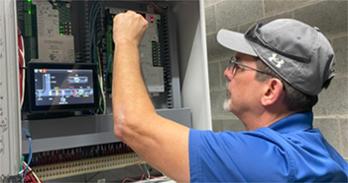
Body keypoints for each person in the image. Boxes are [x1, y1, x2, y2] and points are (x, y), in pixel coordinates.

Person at [112, 11, 348, 182]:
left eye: (237, 66)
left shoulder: (267, 161)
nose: (226, 72)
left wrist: (126, 40)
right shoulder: (324, 156)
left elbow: (131, 124)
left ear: (270, 90)